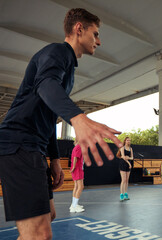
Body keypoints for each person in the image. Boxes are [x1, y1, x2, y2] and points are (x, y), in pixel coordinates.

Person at [0, 8, 122, 240]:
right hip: (18, 144)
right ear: (79, 29)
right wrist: (78, 117)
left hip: (34, 147)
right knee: (40, 234)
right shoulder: (58, 52)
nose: (98, 41)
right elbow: (45, 85)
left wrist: (54, 160)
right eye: (95, 34)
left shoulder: (67, 68)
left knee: (49, 217)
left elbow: (48, 116)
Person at [69, 138, 85, 213]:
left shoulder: (76, 146)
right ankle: (74, 207)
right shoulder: (79, 147)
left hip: (76, 168)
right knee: (80, 186)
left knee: (76, 186)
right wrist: (74, 167)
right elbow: (75, 157)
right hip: (77, 169)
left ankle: (73, 204)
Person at [116, 137, 133, 201]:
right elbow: (123, 157)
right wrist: (129, 164)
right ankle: (121, 195)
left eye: (129, 140)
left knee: (126, 180)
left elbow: (132, 157)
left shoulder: (130, 149)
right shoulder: (122, 148)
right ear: (125, 141)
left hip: (128, 166)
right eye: (127, 140)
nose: (128, 141)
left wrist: (128, 158)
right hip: (123, 164)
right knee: (123, 180)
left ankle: (126, 194)